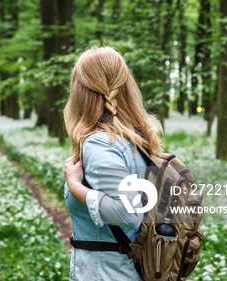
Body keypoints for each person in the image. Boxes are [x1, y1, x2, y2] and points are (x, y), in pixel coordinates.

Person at [62, 46, 164, 281]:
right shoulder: (134, 138)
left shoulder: (101, 144)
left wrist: (76, 186)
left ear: (80, 91)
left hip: (106, 273)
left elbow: (128, 214)